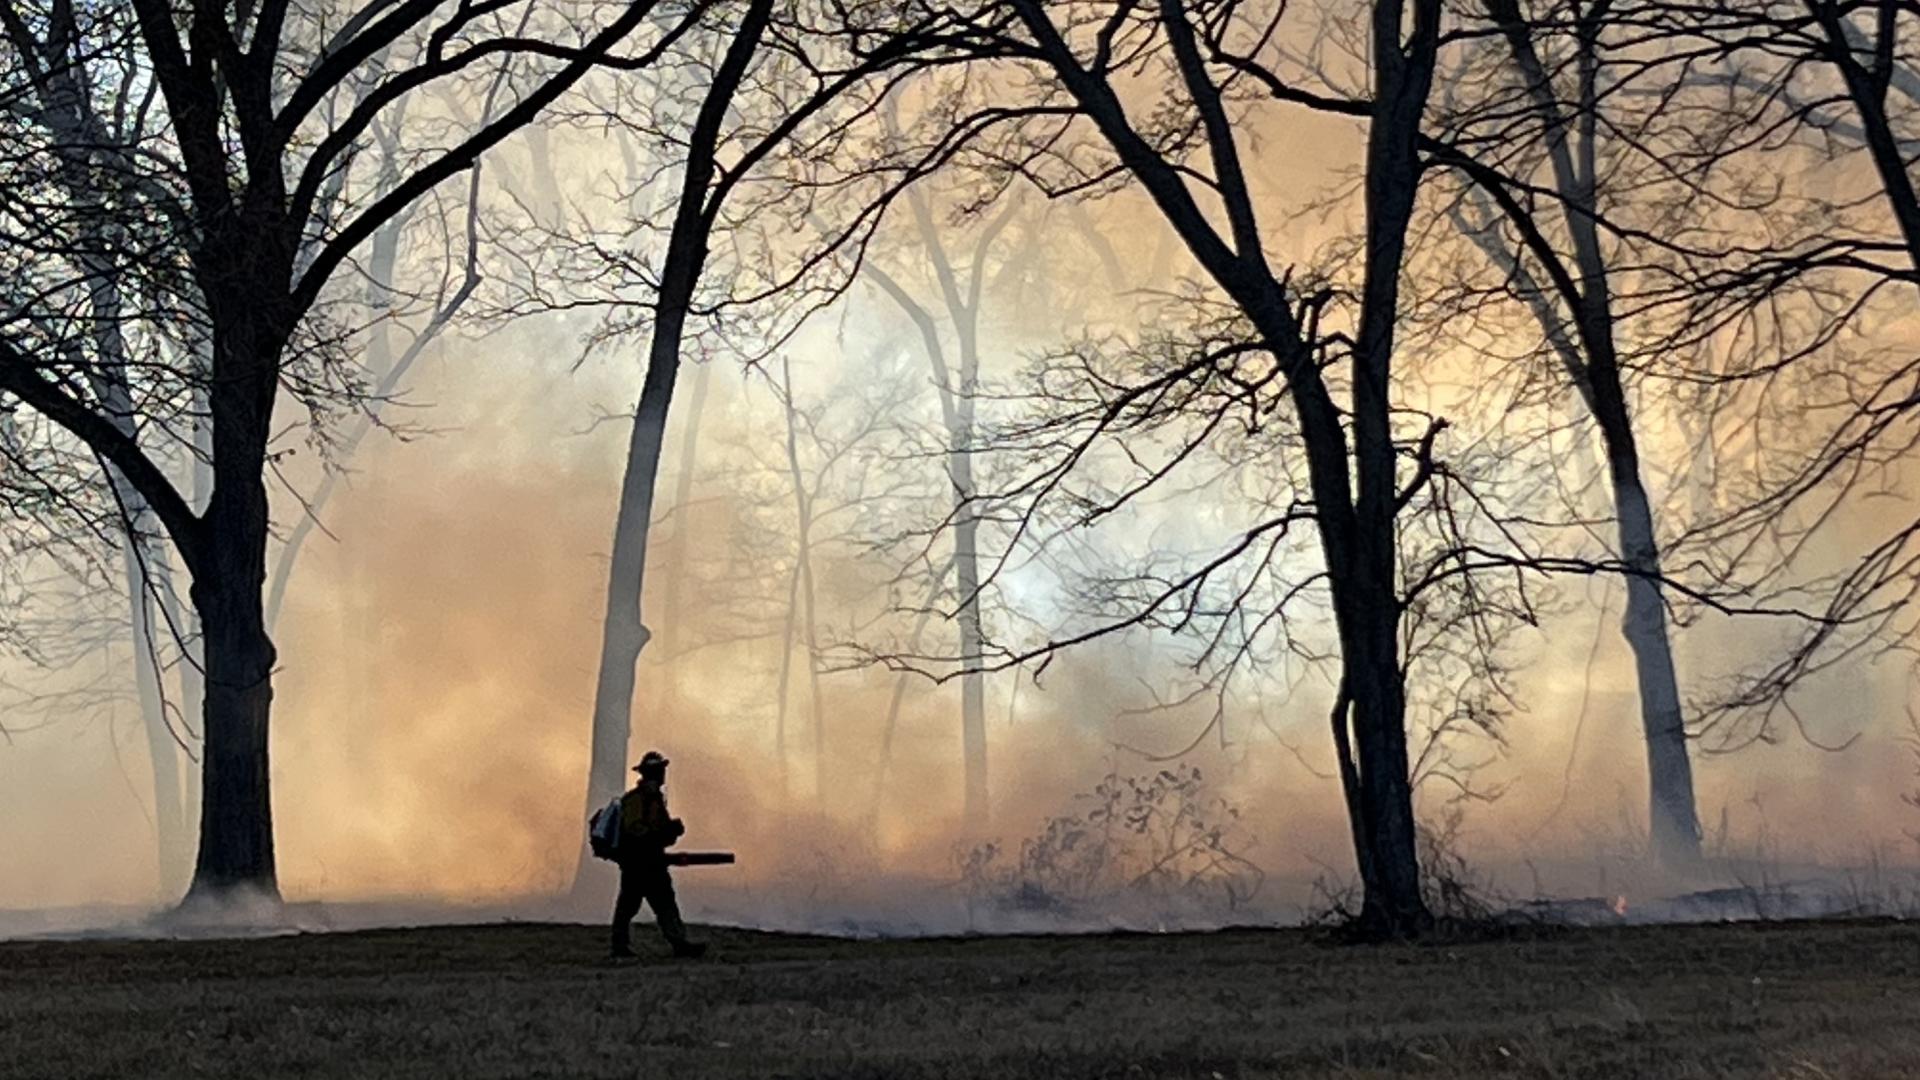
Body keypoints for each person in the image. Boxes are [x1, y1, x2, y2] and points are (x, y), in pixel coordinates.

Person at [610, 750, 707, 960]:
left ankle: (679, 943)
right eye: (659, 771)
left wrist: (671, 831)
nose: (663, 775)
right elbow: (634, 829)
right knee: (628, 906)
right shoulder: (635, 800)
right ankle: (619, 946)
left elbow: (661, 834)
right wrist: (661, 833)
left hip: (654, 862)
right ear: (652, 774)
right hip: (637, 863)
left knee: (665, 904)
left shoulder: (656, 801)